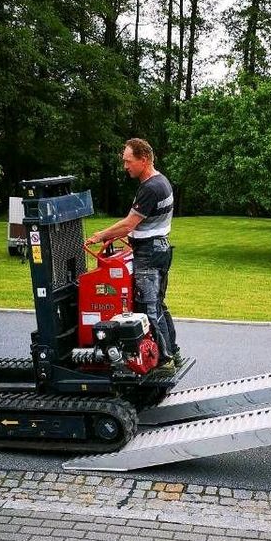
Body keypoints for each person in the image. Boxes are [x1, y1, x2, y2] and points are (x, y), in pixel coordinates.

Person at [85, 138, 180, 369]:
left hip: (148, 253)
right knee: (158, 304)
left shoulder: (150, 188)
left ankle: (164, 358)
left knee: (149, 307)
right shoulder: (162, 181)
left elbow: (129, 224)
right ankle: (173, 351)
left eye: (128, 161)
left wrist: (101, 236)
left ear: (143, 159)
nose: (125, 166)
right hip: (160, 249)